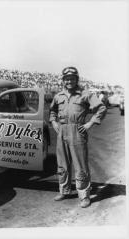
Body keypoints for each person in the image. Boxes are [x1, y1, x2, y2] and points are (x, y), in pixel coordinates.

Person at [49, 66, 107, 208]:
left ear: (77, 79)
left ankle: (84, 196)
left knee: (80, 165)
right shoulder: (58, 96)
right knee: (62, 164)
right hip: (62, 131)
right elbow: (52, 112)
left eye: (72, 79)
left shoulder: (84, 94)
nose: (69, 81)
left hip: (77, 131)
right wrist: (54, 122)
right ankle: (64, 190)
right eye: (67, 79)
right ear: (63, 80)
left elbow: (101, 108)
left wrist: (89, 124)